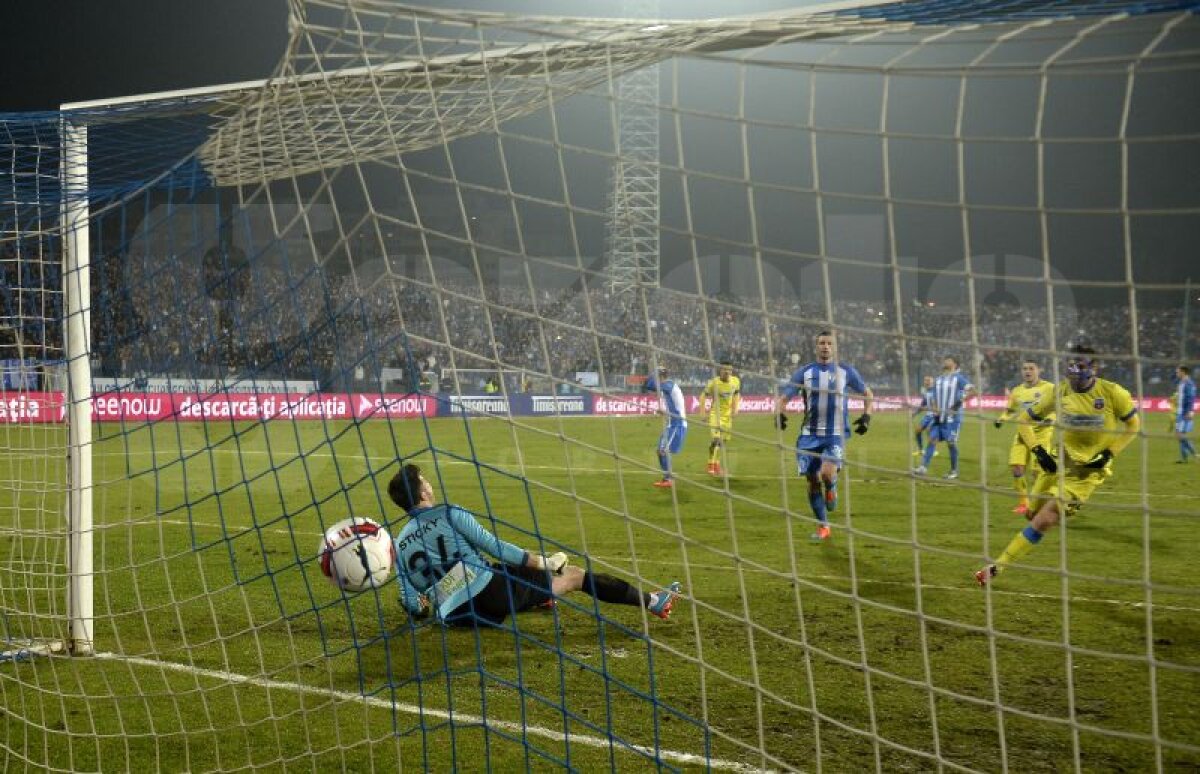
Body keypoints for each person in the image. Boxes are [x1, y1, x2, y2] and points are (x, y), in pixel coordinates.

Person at [388, 463, 681, 625]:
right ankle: (655, 602)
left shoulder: (399, 544)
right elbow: (495, 546)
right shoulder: (449, 513)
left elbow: (412, 603)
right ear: (422, 491)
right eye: (424, 480)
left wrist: (425, 607)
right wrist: (544, 561)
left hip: (457, 616)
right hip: (491, 597)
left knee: (513, 576)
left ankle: (540, 595)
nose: (429, 483)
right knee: (574, 576)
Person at [975, 345, 1141, 587]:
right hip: (1057, 463)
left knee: (1043, 519)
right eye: (1070, 365)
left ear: (1094, 368)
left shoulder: (1113, 392)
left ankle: (995, 567)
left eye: (1081, 366)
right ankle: (1044, 519)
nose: (1074, 371)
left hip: (1086, 473)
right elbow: (1024, 419)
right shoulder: (1059, 391)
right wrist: (1038, 451)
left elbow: (1133, 426)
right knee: (1032, 515)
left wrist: (1108, 454)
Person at [775, 330, 873, 542]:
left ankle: (831, 486)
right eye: (822, 343)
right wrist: (779, 415)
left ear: (834, 347)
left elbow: (868, 394)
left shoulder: (846, 371)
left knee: (827, 473)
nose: (825, 346)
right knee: (812, 481)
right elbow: (784, 397)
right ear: (816, 346)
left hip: (835, 435)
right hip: (809, 436)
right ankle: (823, 526)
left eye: (829, 343)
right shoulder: (805, 372)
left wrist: (867, 416)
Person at [994, 359, 1055, 516]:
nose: (1027, 371)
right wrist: (1002, 419)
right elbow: (1010, 410)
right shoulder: (1017, 391)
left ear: (1039, 370)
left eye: (1031, 368)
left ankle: (1039, 504)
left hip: (1041, 435)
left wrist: (1052, 419)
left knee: (1038, 472)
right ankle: (1023, 503)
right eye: (1024, 369)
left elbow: (1057, 408)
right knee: (1016, 467)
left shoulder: (1049, 388)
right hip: (1022, 434)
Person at [915, 356, 977, 480]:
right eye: (944, 360)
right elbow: (935, 398)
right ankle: (923, 467)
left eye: (948, 360)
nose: (945, 362)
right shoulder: (938, 379)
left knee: (951, 443)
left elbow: (973, 391)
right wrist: (936, 411)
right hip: (940, 417)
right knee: (932, 439)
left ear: (955, 364)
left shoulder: (958, 378)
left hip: (953, 419)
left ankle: (954, 471)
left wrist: (958, 404)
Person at [644, 366, 688, 488]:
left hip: (677, 424)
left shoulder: (669, 385)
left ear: (661, 376)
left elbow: (650, 386)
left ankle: (669, 479)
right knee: (661, 451)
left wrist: (651, 377)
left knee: (663, 451)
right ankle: (667, 478)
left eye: (656, 376)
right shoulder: (666, 388)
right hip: (671, 424)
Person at [700, 360, 741, 476]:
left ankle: (717, 465)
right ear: (720, 370)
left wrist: (735, 409)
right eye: (724, 369)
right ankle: (710, 465)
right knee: (716, 440)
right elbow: (703, 396)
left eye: (729, 369)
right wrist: (703, 414)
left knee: (722, 442)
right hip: (715, 415)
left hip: (727, 417)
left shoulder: (736, 381)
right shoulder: (714, 383)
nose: (727, 371)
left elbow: (737, 394)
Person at [1172, 365, 1195, 463]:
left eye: (1178, 372)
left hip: (1184, 412)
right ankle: (1184, 458)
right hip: (1180, 412)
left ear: (1183, 372)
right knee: (1181, 435)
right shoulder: (1182, 382)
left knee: (1180, 434)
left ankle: (1195, 454)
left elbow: (1190, 398)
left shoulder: (1189, 383)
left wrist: (1189, 411)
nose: (1176, 374)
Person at [911, 375, 937, 458]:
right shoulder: (926, 392)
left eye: (928, 380)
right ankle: (921, 450)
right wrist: (915, 413)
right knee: (917, 431)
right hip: (928, 415)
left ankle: (933, 451)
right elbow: (923, 405)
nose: (926, 382)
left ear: (932, 382)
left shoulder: (936, 391)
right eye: (925, 380)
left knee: (929, 431)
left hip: (935, 415)